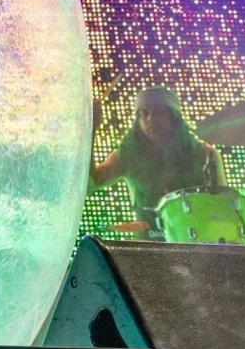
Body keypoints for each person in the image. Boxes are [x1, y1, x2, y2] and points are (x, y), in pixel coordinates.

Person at [89, 87, 224, 237]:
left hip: (197, 241)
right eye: (144, 113)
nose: (150, 119)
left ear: (174, 117)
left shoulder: (205, 154)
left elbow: (223, 206)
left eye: (159, 112)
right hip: (149, 245)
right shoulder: (126, 155)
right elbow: (91, 183)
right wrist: (90, 130)